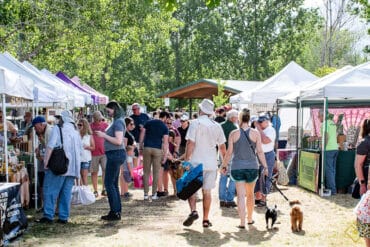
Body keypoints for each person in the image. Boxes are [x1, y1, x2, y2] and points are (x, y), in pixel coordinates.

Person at [182, 99, 226, 228]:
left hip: (196, 162)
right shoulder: (217, 125)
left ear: (200, 110)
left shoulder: (195, 123)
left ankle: (193, 211)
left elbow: (191, 143)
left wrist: (186, 160)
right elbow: (222, 147)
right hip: (211, 163)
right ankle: (206, 219)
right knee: (207, 192)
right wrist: (224, 164)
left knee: (191, 189)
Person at [221, 109, 268, 228]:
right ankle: (250, 219)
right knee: (250, 194)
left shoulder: (233, 134)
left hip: (237, 168)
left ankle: (242, 222)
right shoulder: (256, 133)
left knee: (241, 196)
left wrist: (224, 165)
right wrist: (265, 166)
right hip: (252, 167)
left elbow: (229, 153)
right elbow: (260, 152)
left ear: (240, 118)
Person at [36, 110, 81, 224]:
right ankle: (63, 217)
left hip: (60, 165)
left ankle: (48, 215)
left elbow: (50, 146)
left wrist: (46, 162)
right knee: (66, 193)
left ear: (63, 119)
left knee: (50, 190)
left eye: (59, 118)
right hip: (72, 167)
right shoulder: (76, 131)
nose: (58, 120)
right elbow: (79, 150)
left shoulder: (58, 128)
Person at [95, 101, 126, 221]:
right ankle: (116, 210)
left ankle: (115, 211)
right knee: (112, 184)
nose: (107, 113)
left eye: (109, 111)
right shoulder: (117, 121)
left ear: (114, 109)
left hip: (115, 154)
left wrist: (103, 135)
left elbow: (118, 141)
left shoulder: (118, 122)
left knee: (109, 183)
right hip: (115, 154)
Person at [139, 111, 169, 200]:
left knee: (146, 171)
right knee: (156, 172)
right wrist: (165, 155)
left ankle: (145, 194)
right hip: (157, 149)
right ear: (165, 118)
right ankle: (154, 194)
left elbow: (142, 133)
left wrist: (140, 146)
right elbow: (166, 143)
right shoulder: (164, 127)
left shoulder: (149, 122)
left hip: (147, 147)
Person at [254, 114, 276, 207]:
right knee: (257, 177)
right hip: (257, 154)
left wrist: (259, 129)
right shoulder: (257, 130)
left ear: (266, 122)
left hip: (268, 155)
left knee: (266, 176)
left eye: (261, 122)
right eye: (258, 122)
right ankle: (258, 198)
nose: (259, 123)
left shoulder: (270, 130)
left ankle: (264, 198)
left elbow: (265, 141)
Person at [32, 116, 53, 210]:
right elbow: (44, 148)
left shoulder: (49, 132)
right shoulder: (42, 133)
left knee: (47, 187)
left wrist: (43, 157)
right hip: (42, 165)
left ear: (41, 124)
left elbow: (50, 148)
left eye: (35, 126)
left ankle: (49, 207)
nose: (35, 129)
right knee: (42, 186)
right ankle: (44, 206)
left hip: (48, 165)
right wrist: (38, 152)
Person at [355, 118, 370, 247]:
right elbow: (358, 165)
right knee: (365, 219)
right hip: (368, 186)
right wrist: (362, 184)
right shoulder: (365, 143)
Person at [219, 109, 238, 208]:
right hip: (231, 154)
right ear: (232, 117)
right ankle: (230, 199)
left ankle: (222, 199)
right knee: (232, 177)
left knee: (223, 176)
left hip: (221, 153)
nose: (237, 118)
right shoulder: (234, 128)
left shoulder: (220, 125)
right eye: (236, 117)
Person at [319, 109, 338, 195]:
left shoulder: (324, 124)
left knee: (329, 170)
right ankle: (333, 188)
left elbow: (325, 137)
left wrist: (322, 147)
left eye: (319, 116)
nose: (318, 118)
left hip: (328, 149)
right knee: (332, 170)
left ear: (322, 115)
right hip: (335, 148)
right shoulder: (332, 122)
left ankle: (332, 190)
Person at [90, 111, 109, 197]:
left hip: (104, 152)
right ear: (94, 119)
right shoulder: (90, 126)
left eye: (100, 119)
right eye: (97, 119)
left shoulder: (105, 125)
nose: (99, 121)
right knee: (95, 172)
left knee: (105, 170)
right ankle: (95, 190)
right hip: (94, 153)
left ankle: (104, 189)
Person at [77, 118, 95, 186]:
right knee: (78, 178)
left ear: (85, 126)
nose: (78, 126)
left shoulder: (89, 136)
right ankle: (81, 193)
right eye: (78, 124)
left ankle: (86, 193)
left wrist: (87, 147)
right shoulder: (76, 135)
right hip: (77, 159)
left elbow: (93, 147)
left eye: (80, 125)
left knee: (84, 177)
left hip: (85, 159)